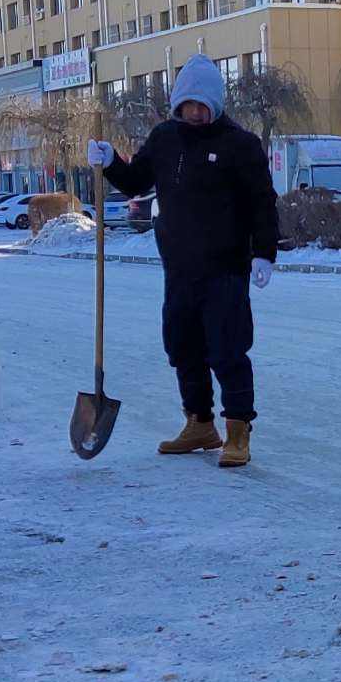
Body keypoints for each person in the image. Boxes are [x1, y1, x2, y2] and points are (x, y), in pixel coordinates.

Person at [89, 55, 278, 469]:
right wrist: (110, 163)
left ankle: (237, 431)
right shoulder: (164, 138)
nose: (194, 113)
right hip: (179, 267)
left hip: (226, 267)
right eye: (187, 104)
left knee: (227, 349)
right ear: (177, 104)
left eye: (201, 105)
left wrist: (264, 251)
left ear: (215, 103)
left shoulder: (239, 144)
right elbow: (137, 180)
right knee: (182, 345)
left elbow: (262, 202)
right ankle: (199, 423)